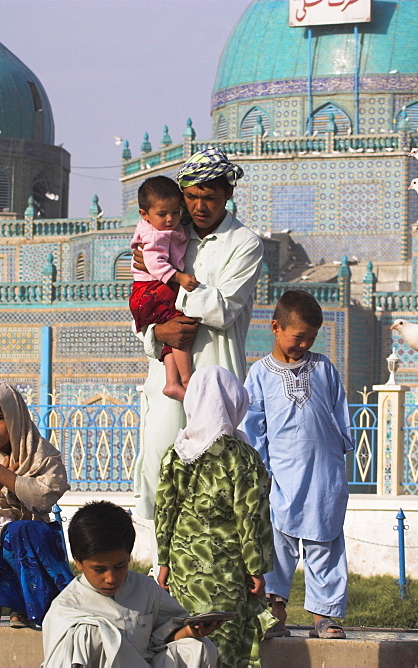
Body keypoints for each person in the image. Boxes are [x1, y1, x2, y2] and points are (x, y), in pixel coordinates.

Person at [132, 147, 264, 520]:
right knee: (161, 471)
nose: (199, 206)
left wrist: (172, 287)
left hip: (216, 377)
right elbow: (140, 309)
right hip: (166, 374)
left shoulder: (244, 244)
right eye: (191, 196)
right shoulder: (166, 235)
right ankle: (164, 574)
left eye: (209, 197)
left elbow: (222, 310)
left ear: (228, 195)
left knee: (214, 483)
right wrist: (160, 328)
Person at [242, 290, 352, 640]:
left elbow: (340, 415)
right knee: (278, 545)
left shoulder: (323, 368)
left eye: (311, 338)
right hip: (282, 477)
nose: (304, 344)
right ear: (276, 327)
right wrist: (262, 472)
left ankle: (325, 616)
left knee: (326, 543)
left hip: (324, 474)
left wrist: (339, 455)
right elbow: (252, 426)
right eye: (298, 336)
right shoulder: (259, 373)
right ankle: (276, 613)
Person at [155, 366, 275, 668]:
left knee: (188, 644)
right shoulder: (243, 456)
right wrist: (256, 568)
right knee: (223, 646)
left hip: (184, 569)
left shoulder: (176, 452)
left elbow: (164, 511)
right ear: (235, 402)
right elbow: (251, 518)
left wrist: (164, 561)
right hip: (228, 571)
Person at [42, 500, 219, 668]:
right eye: (99, 569)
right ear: (78, 563)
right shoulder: (66, 609)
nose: (111, 578)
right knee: (91, 633)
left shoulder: (145, 588)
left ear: (129, 557)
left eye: (120, 566)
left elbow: (159, 638)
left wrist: (189, 632)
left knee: (199, 648)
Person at [0, 382, 73, 632]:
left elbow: (45, 496)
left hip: (29, 537)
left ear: (14, 416)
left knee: (20, 531)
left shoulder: (39, 454)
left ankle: (24, 606)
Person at [130, 175, 200, 401]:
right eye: (163, 214)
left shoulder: (160, 226)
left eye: (176, 212)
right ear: (144, 214)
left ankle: (172, 382)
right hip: (152, 290)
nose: (171, 219)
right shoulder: (154, 234)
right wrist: (179, 278)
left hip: (146, 292)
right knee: (179, 328)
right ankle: (187, 379)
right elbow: (154, 263)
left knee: (170, 336)